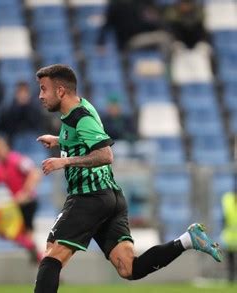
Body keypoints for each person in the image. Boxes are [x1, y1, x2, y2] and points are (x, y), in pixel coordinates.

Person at [34, 64, 222, 292]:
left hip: (88, 196)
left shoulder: (80, 117)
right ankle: (188, 240)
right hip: (110, 197)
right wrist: (59, 140)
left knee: (52, 255)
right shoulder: (81, 108)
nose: (41, 96)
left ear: (61, 91)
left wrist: (64, 161)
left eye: (44, 89)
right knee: (128, 267)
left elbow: (105, 154)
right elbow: (85, 139)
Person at [0, 136, 42, 262]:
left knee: (24, 232)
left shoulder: (17, 160)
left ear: (5, 148)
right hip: (16, 204)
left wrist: (25, 192)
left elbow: (35, 173)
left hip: (28, 202)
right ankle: (32, 248)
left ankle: (37, 255)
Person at [221, 190, 237, 282]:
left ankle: (231, 277)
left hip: (231, 237)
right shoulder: (228, 203)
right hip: (230, 238)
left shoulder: (228, 203)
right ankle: (231, 278)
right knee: (230, 260)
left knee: (231, 260)